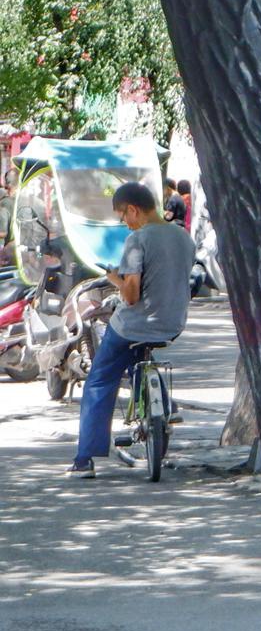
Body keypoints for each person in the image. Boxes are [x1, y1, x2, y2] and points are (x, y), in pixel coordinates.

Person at [67, 183, 196, 478]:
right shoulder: (184, 238)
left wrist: (114, 277)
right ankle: (163, 407)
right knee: (139, 359)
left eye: (123, 216)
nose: (125, 223)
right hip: (172, 323)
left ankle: (85, 459)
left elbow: (131, 295)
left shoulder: (137, 240)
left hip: (133, 326)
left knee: (99, 381)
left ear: (133, 210)